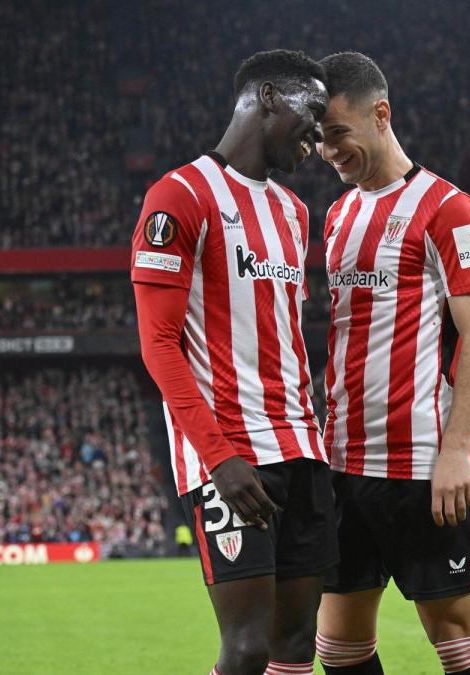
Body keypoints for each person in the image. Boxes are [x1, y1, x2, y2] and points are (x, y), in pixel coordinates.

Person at [131, 49, 335, 675]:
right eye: (314, 113)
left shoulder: (296, 214)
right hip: (232, 455)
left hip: (303, 448)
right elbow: (159, 345)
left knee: (297, 647)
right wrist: (217, 457)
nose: (320, 135)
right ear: (270, 96)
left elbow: (287, 337)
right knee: (246, 650)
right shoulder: (179, 195)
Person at [312, 52, 470, 675]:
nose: (327, 150)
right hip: (342, 464)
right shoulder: (338, 216)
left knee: (456, 639)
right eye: (318, 138)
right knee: (338, 647)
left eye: (337, 132)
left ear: (381, 114)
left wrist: (455, 451)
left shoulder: (448, 208)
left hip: (422, 468)